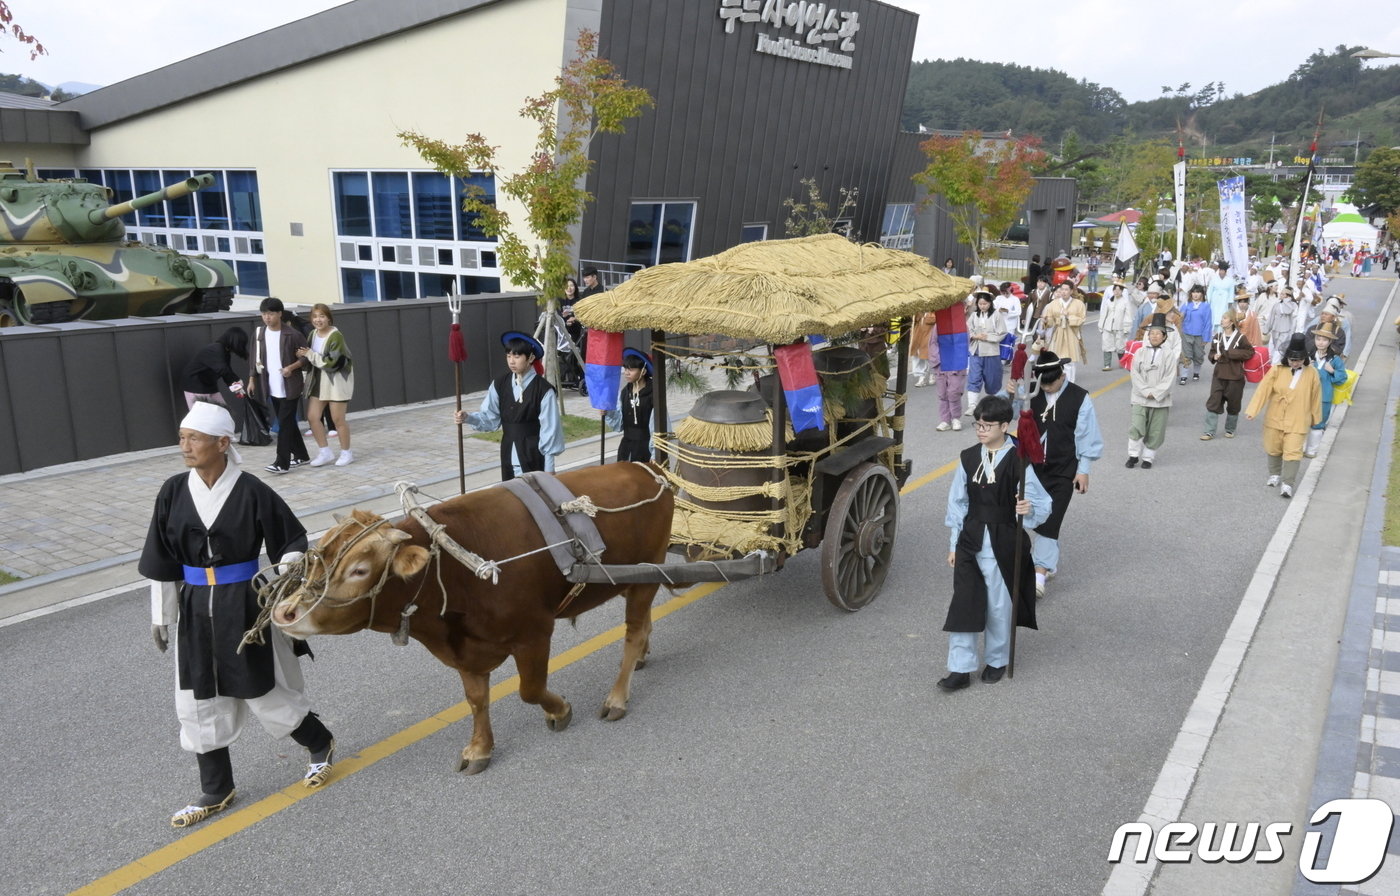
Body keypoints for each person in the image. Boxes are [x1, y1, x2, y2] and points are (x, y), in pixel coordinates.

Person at [140, 402, 335, 829]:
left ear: (222, 443)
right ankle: (216, 788)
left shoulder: (251, 490)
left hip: (244, 602)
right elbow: (162, 559)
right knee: (197, 696)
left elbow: (292, 540)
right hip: (195, 606)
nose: (184, 446)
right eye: (182, 437)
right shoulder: (173, 490)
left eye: (193, 438)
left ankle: (319, 743)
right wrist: (161, 614)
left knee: (263, 688)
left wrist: (285, 577)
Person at [938, 395, 1051, 692]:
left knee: (999, 606)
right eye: (978, 424)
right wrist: (953, 544)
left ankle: (997, 659)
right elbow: (957, 503)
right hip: (970, 539)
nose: (980, 430)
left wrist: (1028, 509)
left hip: (1004, 540)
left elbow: (1041, 504)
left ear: (1005, 425)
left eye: (987, 425)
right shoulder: (968, 457)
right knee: (964, 603)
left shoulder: (1019, 459)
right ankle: (960, 668)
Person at [1027, 350, 1103, 598]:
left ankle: (1039, 575)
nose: (1047, 388)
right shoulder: (1032, 391)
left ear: (1062, 374)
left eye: (1052, 383)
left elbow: (1087, 437)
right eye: (1043, 384)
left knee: (1052, 519)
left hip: (1064, 470)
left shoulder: (1080, 398)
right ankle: (1048, 559)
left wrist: (1084, 470)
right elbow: (1012, 412)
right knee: (1035, 516)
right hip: (1033, 468)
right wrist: (1012, 393)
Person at [455, 331, 564, 480]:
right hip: (507, 451)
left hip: (533, 453)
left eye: (517, 356)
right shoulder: (500, 384)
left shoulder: (544, 390)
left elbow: (550, 429)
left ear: (531, 358)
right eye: (508, 356)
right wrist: (468, 418)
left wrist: (549, 468)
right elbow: (490, 418)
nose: (511, 361)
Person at [1245, 334, 1321, 499]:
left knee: (1293, 451)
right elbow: (1263, 390)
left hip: (1298, 417)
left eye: (1299, 360)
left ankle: (1288, 483)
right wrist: (1253, 410)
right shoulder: (1277, 369)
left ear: (1304, 359)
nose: (1295, 363)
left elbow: (1316, 396)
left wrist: (1316, 417)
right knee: (1273, 446)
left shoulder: (1312, 373)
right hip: (1276, 415)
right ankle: (1275, 474)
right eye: (1293, 360)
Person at [249, 297, 310, 474]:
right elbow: (254, 358)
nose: (267, 317)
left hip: (290, 386)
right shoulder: (260, 333)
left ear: (280, 314)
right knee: (287, 421)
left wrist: (292, 367)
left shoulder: (293, 334)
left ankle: (281, 463)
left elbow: (307, 357)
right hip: (271, 386)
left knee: (283, 424)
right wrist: (252, 379)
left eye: (271, 314)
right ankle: (301, 455)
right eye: (264, 314)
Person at [296, 303, 354, 467]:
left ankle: (346, 452)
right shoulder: (312, 334)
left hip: (336, 382)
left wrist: (309, 354)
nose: (318, 320)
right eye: (315, 317)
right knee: (313, 417)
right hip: (319, 381)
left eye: (322, 316)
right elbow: (309, 357)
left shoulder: (336, 336)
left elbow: (333, 363)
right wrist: (303, 355)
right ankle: (325, 452)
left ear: (329, 318)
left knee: (337, 419)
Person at [1126, 314, 1177, 469]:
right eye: (1151, 333)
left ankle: (1148, 457)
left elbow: (1170, 378)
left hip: (1160, 399)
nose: (1154, 336)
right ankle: (1133, 455)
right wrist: (1145, 391)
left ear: (1164, 337)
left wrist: (1155, 393)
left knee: (1156, 429)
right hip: (1140, 396)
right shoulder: (1140, 352)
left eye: (1158, 333)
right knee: (1136, 426)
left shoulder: (1169, 355)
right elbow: (1135, 373)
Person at [1201, 310, 1254, 441]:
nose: (1222, 320)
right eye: (1222, 318)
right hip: (1219, 374)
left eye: (1224, 318)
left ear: (1231, 322)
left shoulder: (1241, 338)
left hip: (1235, 375)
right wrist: (1214, 356)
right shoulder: (1217, 337)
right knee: (1213, 401)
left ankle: (1230, 429)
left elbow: (1249, 352)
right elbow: (1211, 353)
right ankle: (1209, 431)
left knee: (1233, 404)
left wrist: (1230, 353)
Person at [601, 348, 654, 462]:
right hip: (626, 448)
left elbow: (657, 428)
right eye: (625, 368)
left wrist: (655, 455)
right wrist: (609, 413)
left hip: (645, 449)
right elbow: (620, 424)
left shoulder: (653, 395)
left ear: (643, 371)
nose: (626, 372)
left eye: (631, 369)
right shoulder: (625, 392)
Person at [1305, 320, 1348, 459]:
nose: (1321, 342)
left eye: (1324, 340)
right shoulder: (1309, 356)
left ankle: (1312, 450)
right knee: (1303, 420)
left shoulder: (1334, 359)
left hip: (1324, 396)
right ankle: (1300, 447)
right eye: (1318, 339)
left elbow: (1342, 378)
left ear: (1330, 342)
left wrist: (1332, 371)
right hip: (1306, 395)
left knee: (1318, 423)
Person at [179, 327, 247, 409]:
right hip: (195, 386)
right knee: (203, 415)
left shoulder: (225, 352)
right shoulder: (216, 349)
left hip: (209, 385)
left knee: (223, 411)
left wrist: (236, 387)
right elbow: (223, 369)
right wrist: (237, 380)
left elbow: (226, 373)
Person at [965, 288, 1007, 414]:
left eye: (985, 304)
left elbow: (1003, 332)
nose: (982, 306)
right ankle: (972, 405)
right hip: (976, 351)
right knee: (974, 376)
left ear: (990, 303)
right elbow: (967, 330)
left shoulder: (996, 315)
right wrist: (974, 336)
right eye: (980, 304)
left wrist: (988, 337)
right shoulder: (974, 315)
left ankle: (993, 404)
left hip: (991, 351)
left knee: (992, 378)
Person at [1040, 281, 1086, 382]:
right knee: (1057, 360)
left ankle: (1070, 383)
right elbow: (1050, 321)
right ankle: (1059, 382)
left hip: (1071, 334)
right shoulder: (1054, 304)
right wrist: (1047, 321)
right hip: (1058, 333)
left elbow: (1082, 319)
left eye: (1066, 290)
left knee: (1070, 361)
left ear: (1071, 291)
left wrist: (1068, 317)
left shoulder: (1078, 304)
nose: (1064, 292)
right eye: (1062, 289)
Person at [1178, 284, 1213, 385]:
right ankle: (1183, 376)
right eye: (1194, 292)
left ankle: (1196, 373)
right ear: (1191, 294)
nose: (1195, 294)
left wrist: (1206, 338)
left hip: (1200, 335)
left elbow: (1208, 322)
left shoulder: (1206, 306)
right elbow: (1179, 317)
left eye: (1198, 292)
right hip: (1186, 333)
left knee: (1198, 355)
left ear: (1202, 294)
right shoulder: (1186, 304)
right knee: (1185, 355)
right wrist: (1181, 316)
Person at [1099, 279, 1137, 370]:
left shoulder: (1125, 302)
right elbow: (1104, 314)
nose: (1116, 291)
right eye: (1115, 289)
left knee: (1121, 346)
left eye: (1119, 290)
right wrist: (1101, 326)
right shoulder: (1109, 301)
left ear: (1122, 291)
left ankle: (1122, 362)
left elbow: (1128, 315)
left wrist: (1127, 327)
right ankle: (1107, 364)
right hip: (1108, 327)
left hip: (1120, 327)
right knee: (1107, 344)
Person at [1205, 261, 1235, 335]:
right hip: (1215, 300)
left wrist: (1230, 303)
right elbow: (1209, 291)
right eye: (1220, 270)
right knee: (1214, 314)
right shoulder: (1214, 279)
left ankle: (1222, 330)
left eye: (1223, 271)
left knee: (1223, 314)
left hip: (1224, 300)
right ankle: (1213, 332)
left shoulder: (1230, 281)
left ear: (1225, 272)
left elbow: (1231, 292)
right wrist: (1208, 301)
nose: (1221, 272)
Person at [910, 310, 937, 387]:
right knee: (918, 357)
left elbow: (934, 319)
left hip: (928, 337)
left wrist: (925, 316)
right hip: (918, 337)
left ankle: (931, 374)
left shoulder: (932, 312)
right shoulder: (917, 313)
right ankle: (922, 377)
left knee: (928, 357)